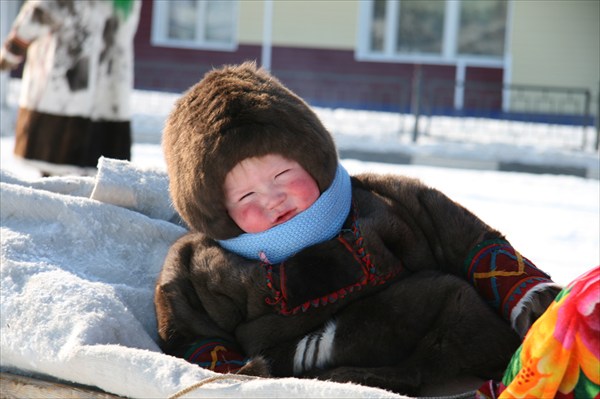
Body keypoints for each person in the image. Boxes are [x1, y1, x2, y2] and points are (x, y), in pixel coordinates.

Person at [154, 62, 563, 393]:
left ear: (313, 161)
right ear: (218, 213)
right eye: (246, 198)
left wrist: (534, 305)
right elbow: (191, 335)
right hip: (316, 384)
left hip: (451, 358)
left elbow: (473, 245)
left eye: (282, 175)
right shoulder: (203, 265)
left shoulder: (383, 200)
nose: (272, 198)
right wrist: (232, 384)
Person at [0, 0, 141, 177]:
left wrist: (12, 51)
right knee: (93, 177)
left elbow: (42, 12)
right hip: (106, 105)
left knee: (53, 174)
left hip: (64, 93)